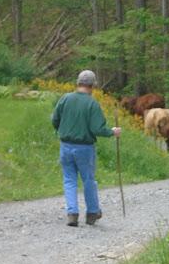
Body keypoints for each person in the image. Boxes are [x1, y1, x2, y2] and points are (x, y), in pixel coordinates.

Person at [52, 70, 121, 227]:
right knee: (88, 180)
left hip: (65, 145)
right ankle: (92, 213)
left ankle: (72, 214)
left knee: (69, 179)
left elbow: (55, 119)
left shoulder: (65, 99)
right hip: (84, 148)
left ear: (78, 83)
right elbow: (97, 128)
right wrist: (112, 132)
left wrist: (61, 130)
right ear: (92, 86)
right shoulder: (92, 103)